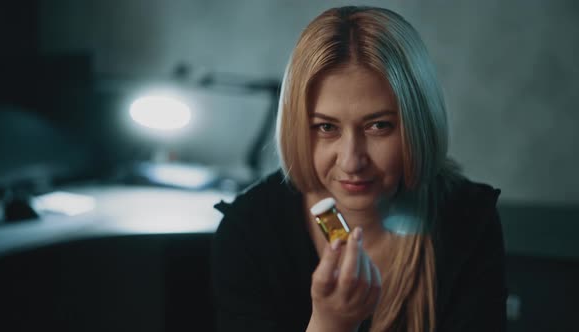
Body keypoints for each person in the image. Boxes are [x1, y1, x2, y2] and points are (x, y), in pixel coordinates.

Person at [211, 5, 506, 332]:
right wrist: (330, 324)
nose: (352, 161)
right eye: (326, 128)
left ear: (418, 124)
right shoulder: (251, 230)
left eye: (379, 126)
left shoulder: (467, 220)